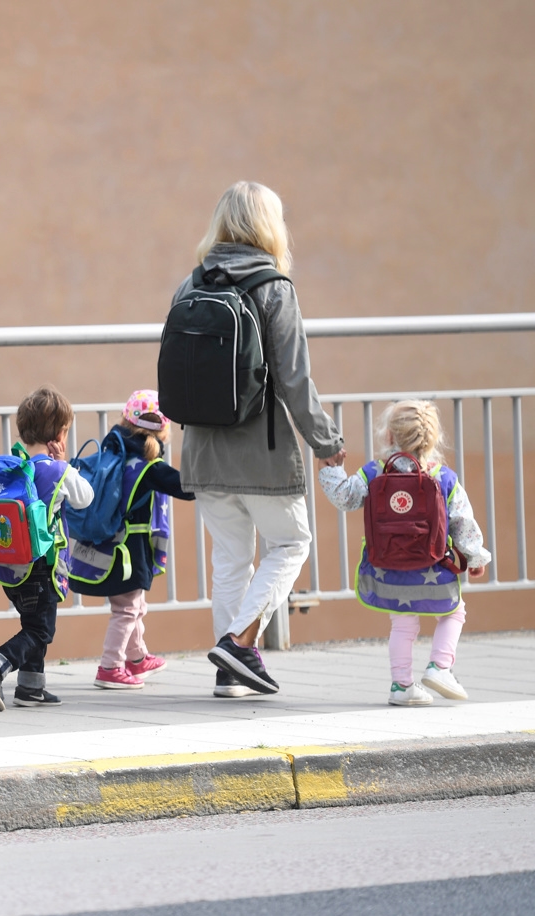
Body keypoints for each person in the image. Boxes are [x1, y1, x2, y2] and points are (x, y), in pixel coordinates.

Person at [173, 181, 345, 698]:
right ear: (270, 226)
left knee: (230, 559)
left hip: (202, 451)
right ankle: (240, 643)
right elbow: (294, 380)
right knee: (292, 543)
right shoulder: (274, 288)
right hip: (260, 453)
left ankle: (229, 673)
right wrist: (325, 442)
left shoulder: (190, 285)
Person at [318, 400, 490, 706]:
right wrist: (475, 558)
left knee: (402, 623)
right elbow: (463, 523)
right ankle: (440, 667)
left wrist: (331, 469)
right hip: (433, 568)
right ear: (432, 439)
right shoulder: (443, 477)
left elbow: (345, 497)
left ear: (389, 437)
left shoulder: (373, 472)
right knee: (454, 611)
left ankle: (401, 686)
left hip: (387, 569)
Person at [0, 385, 93, 710]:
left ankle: (30, 687)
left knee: (32, 623)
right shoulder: (57, 470)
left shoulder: (12, 468)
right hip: (42, 566)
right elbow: (85, 498)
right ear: (60, 433)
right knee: (40, 630)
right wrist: (64, 463)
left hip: (10, 565)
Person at [66, 391, 195, 689]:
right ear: (163, 431)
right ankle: (110, 667)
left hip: (107, 546)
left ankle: (137, 658)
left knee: (134, 604)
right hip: (127, 551)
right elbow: (187, 488)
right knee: (126, 609)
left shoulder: (114, 455)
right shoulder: (148, 468)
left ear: (125, 421)